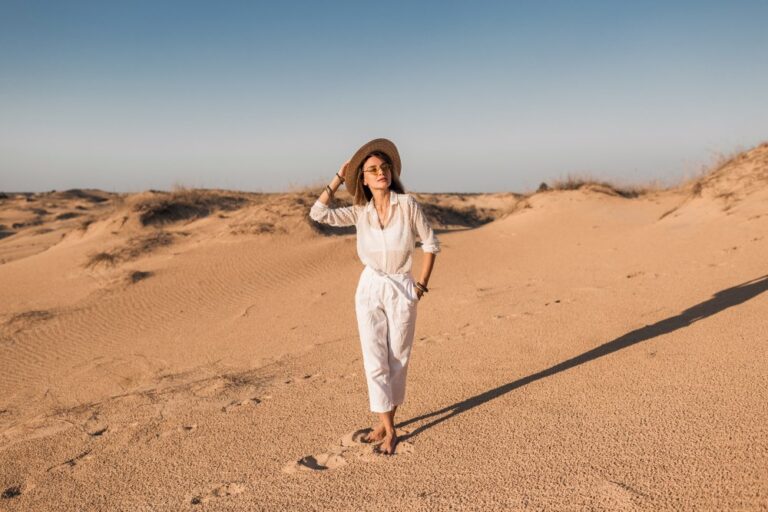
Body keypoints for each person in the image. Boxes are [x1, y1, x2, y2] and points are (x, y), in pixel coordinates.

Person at [309, 138, 440, 455]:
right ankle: (390, 429)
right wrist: (338, 178)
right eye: (372, 169)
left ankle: (384, 422)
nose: (380, 172)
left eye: (384, 167)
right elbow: (318, 213)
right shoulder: (359, 212)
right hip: (369, 287)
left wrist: (420, 286)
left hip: (402, 286)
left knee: (398, 358)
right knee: (374, 360)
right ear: (364, 180)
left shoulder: (407, 205)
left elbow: (431, 244)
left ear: (391, 173)